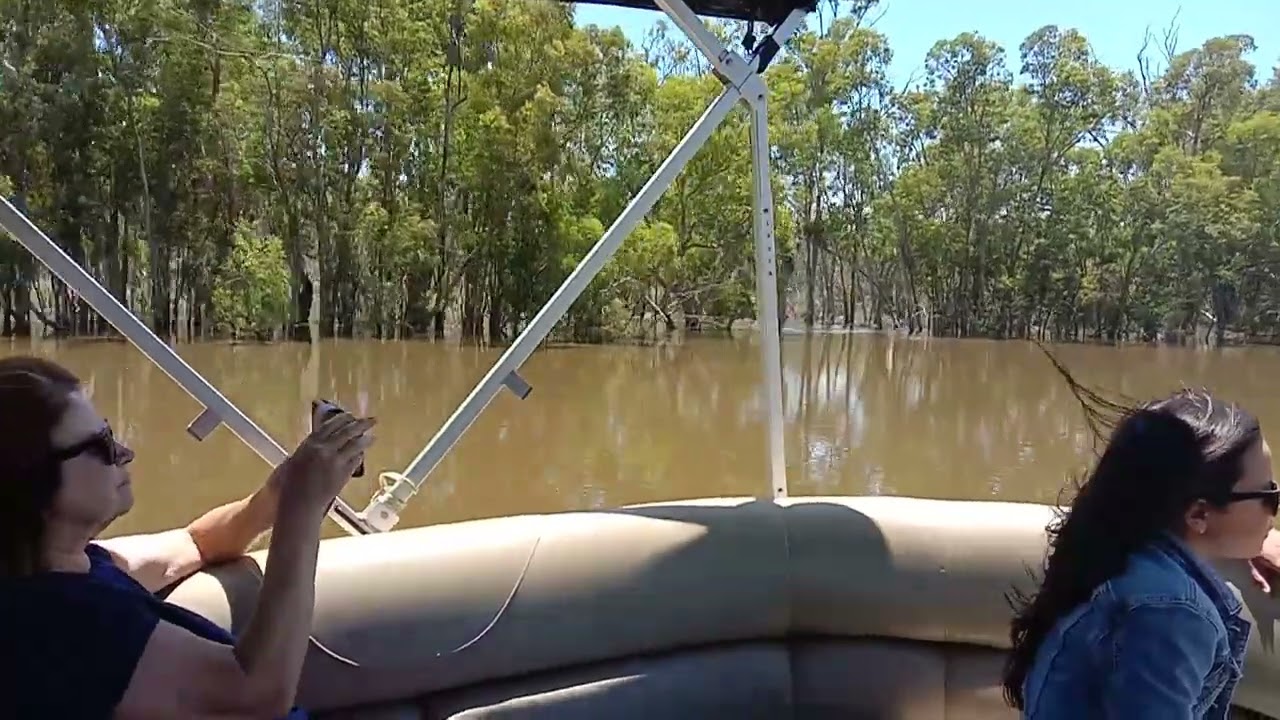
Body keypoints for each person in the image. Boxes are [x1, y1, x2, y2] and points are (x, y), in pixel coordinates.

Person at [0, 355, 376, 719]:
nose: (124, 453)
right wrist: (302, 509)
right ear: (30, 483)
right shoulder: (56, 625)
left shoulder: (79, 563)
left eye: (112, 435)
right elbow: (257, 694)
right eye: (100, 446)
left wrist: (276, 495)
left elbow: (195, 542)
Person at [1002, 363, 1277, 719]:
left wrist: (1249, 543)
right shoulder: (1173, 613)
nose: (1274, 509)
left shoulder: (1119, 551)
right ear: (1198, 515)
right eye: (1269, 496)